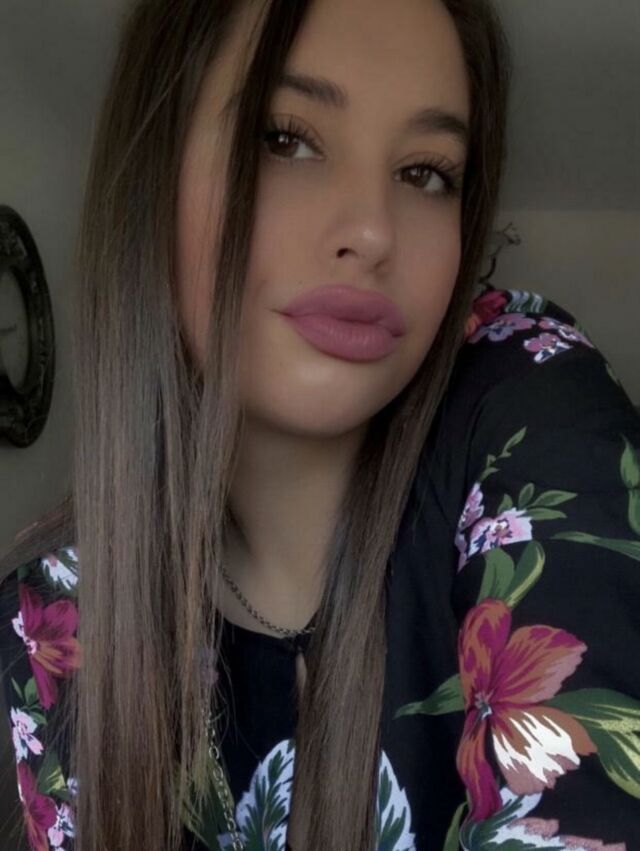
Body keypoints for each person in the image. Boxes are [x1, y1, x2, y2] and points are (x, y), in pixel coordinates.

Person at [1, 0, 639, 849]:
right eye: (286, 138)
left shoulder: (530, 402)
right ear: (152, 178)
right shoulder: (47, 624)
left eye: (426, 173)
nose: (372, 231)